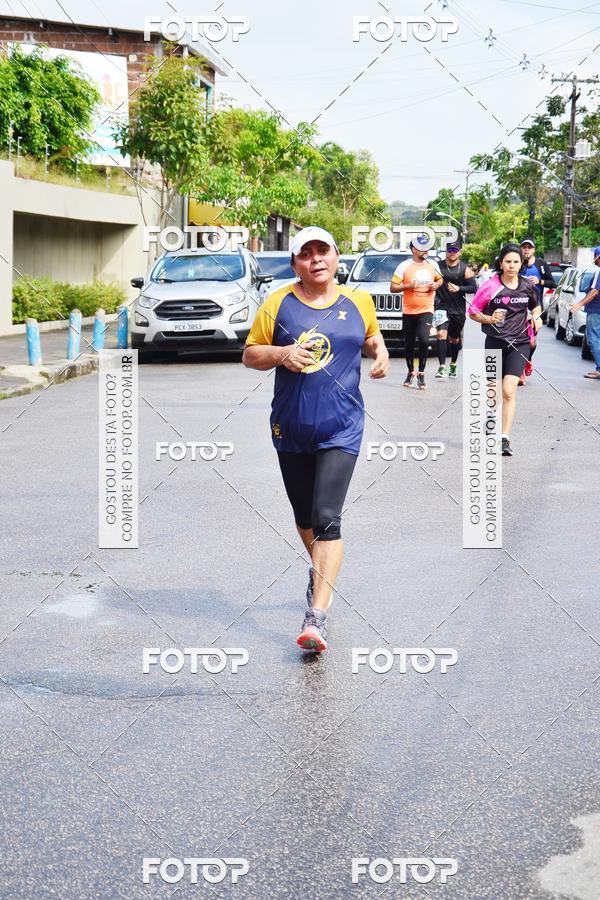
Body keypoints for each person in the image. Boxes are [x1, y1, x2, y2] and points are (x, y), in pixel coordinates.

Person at [242, 226, 390, 652]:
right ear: (295, 265)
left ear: (336, 257)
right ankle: (318, 571)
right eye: (306, 254)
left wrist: (379, 352)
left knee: (327, 518)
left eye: (322, 251)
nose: (316, 259)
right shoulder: (278, 303)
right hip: (290, 426)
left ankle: (316, 617)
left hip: (342, 426)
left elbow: (369, 336)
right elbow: (251, 354)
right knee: (305, 518)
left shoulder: (358, 300)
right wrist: (281, 353)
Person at [468, 243, 542, 456]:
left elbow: (535, 306)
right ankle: (491, 415)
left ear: (521, 264)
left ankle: (504, 438)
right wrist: (489, 318)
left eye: (516, 262)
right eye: (508, 261)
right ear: (501, 263)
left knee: (509, 391)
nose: (512, 265)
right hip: (494, 342)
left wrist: (536, 317)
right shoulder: (490, 286)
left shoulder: (527, 286)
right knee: (493, 393)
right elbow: (473, 312)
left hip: (519, 344)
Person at [390, 234, 443, 390]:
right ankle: (410, 372)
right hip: (409, 311)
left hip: (426, 309)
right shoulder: (404, 266)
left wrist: (436, 285)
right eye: (421, 248)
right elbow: (393, 287)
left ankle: (421, 373)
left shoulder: (432, 264)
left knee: (425, 340)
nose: (425, 250)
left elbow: (440, 279)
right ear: (414, 249)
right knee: (409, 344)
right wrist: (408, 286)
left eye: (427, 247)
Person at [434, 241, 477, 379]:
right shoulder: (438, 266)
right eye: (450, 249)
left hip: (457, 309)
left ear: (460, 252)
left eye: (455, 250)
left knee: (454, 338)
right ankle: (441, 367)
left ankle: (453, 364)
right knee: (441, 334)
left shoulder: (465, 269)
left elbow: (474, 288)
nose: (452, 252)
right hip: (441, 306)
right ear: (446, 251)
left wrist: (460, 288)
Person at [519, 238, 554, 381]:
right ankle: (519, 371)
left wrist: (539, 281)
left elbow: (553, 283)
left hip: (535, 310)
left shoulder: (541, 264)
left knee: (531, 342)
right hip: (517, 309)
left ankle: (527, 360)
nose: (526, 249)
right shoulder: (516, 263)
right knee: (518, 340)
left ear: (533, 249)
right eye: (524, 247)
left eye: (529, 247)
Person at [570, 245, 600, 379]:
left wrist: (579, 304)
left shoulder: (599, 272)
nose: (594, 259)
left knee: (593, 340)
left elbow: (594, 292)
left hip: (596, 311)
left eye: (595, 256)